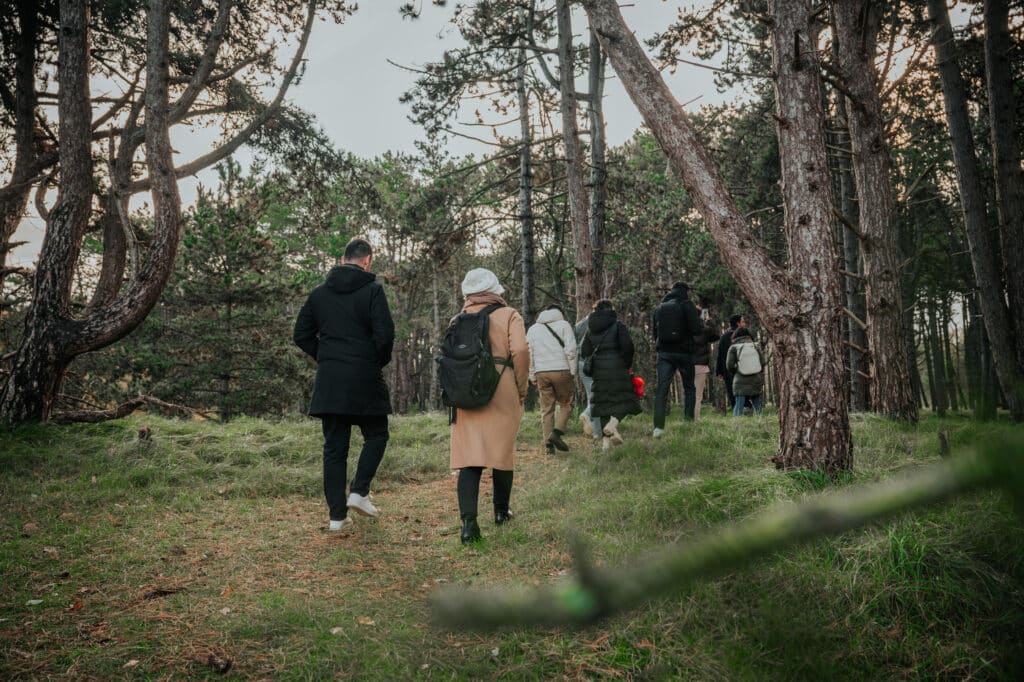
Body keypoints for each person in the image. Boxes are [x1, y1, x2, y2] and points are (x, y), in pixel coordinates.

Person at [293, 237, 394, 532]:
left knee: (334, 449)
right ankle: (359, 491)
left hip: (331, 380)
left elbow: (301, 333)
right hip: (364, 376)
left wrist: (324, 356)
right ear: (367, 261)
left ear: (342, 259)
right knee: (376, 434)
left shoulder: (319, 294)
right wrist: (373, 361)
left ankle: (337, 518)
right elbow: (385, 336)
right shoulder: (373, 291)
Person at [449, 268, 529, 543]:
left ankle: (469, 525)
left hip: (466, 388)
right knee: (502, 453)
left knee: (469, 458)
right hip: (501, 384)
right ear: (496, 289)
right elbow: (519, 350)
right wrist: (522, 387)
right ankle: (501, 512)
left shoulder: (458, 319)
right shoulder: (509, 315)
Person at [580, 299, 642, 450]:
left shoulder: (591, 328)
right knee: (627, 400)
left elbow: (585, 351)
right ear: (611, 309)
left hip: (599, 371)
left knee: (603, 405)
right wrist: (625, 364)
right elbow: (628, 347)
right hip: (618, 367)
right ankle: (613, 424)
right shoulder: (618, 325)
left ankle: (606, 447)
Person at [651, 282, 703, 437]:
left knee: (662, 389)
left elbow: (655, 334)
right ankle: (688, 423)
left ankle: (658, 428)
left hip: (664, 354)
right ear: (685, 291)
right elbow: (696, 330)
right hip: (684, 353)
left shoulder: (660, 307)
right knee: (689, 388)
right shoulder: (687, 304)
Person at [526, 304, 577, 454]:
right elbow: (571, 350)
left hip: (542, 372)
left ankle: (548, 445)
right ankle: (556, 433)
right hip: (561, 369)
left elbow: (529, 353)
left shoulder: (533, 329)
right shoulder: (564, 325)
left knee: (546, 408)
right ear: (559, 313)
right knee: (566, 403)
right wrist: (573, 370)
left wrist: (532, 374)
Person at [691, 299, 721, 420]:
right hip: (700, 365)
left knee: (689, 393)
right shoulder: (704, 329)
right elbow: (716, 336)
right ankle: (695, 419)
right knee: (698, 395)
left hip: (685, 364)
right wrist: (709, 320)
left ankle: (688, 418)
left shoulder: (684, 329)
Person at [574, 314, 602, 441]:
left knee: (592, 395)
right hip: (594, 364)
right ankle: (588, 416)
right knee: (596, 397)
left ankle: (596, 430)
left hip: (581, 364)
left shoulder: (579, 325)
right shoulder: (602, 324)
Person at [726, 326, 766, 416]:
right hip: (756, 378)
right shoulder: (755, 346)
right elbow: (763, 362)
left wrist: (736, 371)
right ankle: (760, 422)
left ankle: (737, 424)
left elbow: (729, 365)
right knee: (756, 402)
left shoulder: (733, 348)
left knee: (739, 402)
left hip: (740, 379)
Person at [715, 314, 746, 411]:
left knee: (732, 391)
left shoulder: (724, 336)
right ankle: (745, 411)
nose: (744, 324)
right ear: (738, 323)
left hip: (728, 370)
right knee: (744, 390)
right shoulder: (744, 335)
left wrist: (719, 371)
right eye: (743, 321)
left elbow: (719, 355)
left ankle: (736, 412)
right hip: (744, 368)